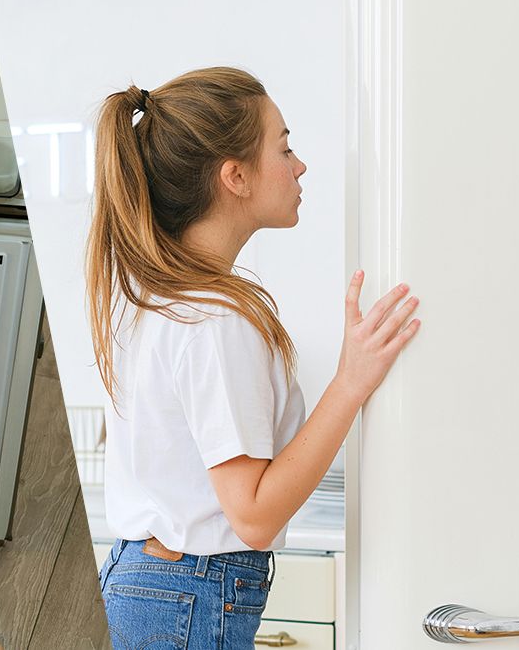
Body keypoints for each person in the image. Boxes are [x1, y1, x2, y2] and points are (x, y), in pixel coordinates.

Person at [88, 66, 421, 649]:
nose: (300, 166)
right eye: (285, 148)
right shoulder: (214, 319)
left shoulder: (162, 297)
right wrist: (350, 382)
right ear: (234, 176)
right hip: (182, 597)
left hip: (155, 588)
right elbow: (255, 515)